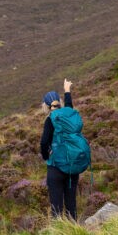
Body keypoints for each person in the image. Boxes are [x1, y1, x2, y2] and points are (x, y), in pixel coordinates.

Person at [40, 78, 79, 220]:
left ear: (45, 105)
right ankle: (74, 232)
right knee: (71, 203)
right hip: (72, 166)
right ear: (60, 103)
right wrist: (67, 90)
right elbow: (69, 106)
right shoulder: (68, 115)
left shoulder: (50, 120)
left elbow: (44, 142)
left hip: (56, 167)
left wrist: (46, 155)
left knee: (56, 206)